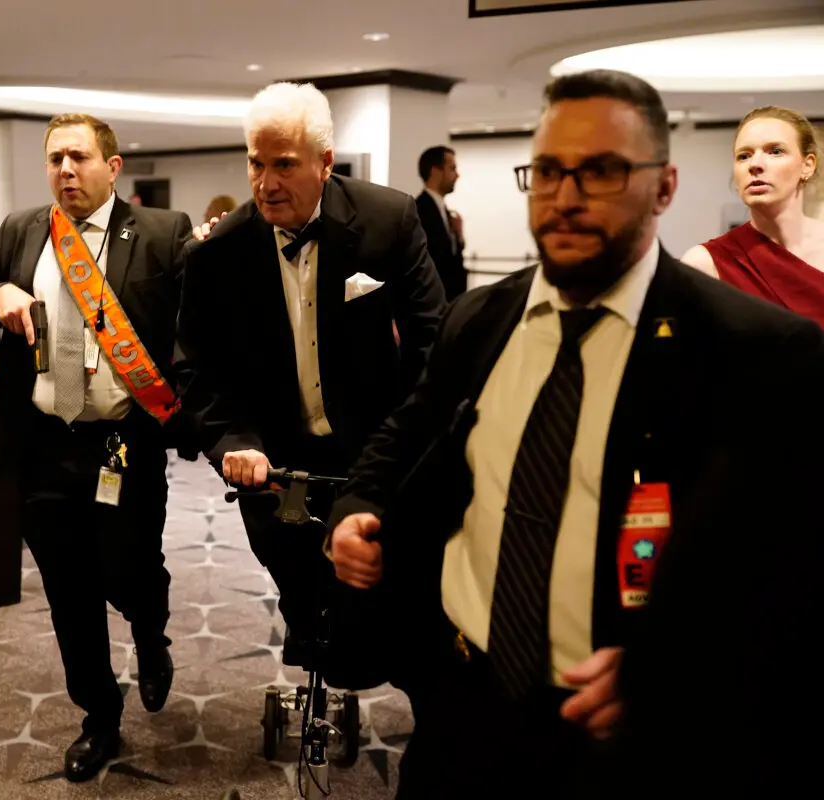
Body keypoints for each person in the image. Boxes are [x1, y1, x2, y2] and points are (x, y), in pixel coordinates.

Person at [327, 69, 824, 798]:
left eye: (601, 170)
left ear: (663, 186)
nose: (566, 196)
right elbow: (408, 433)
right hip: (459, 691)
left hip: (620, 730)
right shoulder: (480, 319)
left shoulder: (752, 347)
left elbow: (791, 569)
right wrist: (356, 506)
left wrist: (676, 664)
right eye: (549, 171)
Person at [176, 81, 447, 672]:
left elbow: (434, 346)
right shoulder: (216, 253)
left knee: (372, 600)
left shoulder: (389, 219)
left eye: (285, 165)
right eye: (256, 163)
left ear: (325, 163)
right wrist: (232, 441)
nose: (266, 183)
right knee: (297, 584)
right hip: (272, 460)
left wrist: (408, 446)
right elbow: (195, 367)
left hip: (373, 451)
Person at [0, 113, 193, 782]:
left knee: (129, 568)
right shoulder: (22, 229)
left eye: (79, 157)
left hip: (122, 442)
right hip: (43, 441)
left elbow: (197, 324)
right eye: (55, 159)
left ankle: (150, 636)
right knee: (68, 590)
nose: (65, 170)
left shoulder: (159, 233)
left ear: (112, 167)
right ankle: (100, 717)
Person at [680, 106, 823, 326]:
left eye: (775, 151)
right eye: (744, 156)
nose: (755, 165)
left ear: (808, 165)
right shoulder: (706, 264)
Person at [416, 145, 467, 299]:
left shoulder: (444, 210)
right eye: (452, 168)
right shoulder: (418, 210)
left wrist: (458, 236)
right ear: (435, 171)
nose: (457, 175)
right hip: (433, 302)